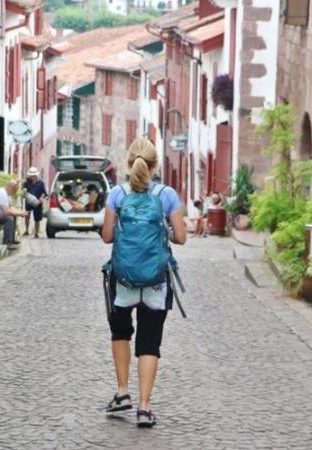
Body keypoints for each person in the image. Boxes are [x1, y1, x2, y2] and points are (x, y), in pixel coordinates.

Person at [101, 138, 186, 428]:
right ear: (155, 164)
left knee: (121, 333)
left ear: (128, 162)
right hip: (156, 281)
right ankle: (144, 408)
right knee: (150, 342)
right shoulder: (167, 195)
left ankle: (122, 392)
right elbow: (182, 237)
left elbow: (107, 237)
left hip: (122, 278)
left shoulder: (116, 194)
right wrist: (163, 232)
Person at [22, 167, 48, 238]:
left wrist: (41, 198)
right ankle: (26, 230)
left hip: (37, 203)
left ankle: (36, 233)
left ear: (36, 175)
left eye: (33, 175)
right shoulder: (26, 182)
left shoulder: (41, 183)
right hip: (29, 202)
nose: (32, 177)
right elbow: (23, 192)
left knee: (37, 218)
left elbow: (44, 193)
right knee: (27, 216)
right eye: (31, 175)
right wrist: (24, 192)